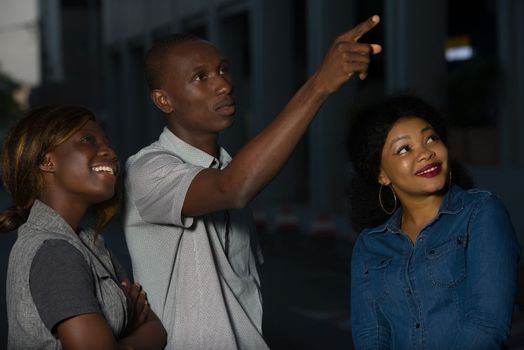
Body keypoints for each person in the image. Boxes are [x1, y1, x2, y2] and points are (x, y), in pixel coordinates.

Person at [123, 15, 382, 350]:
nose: (224, 85)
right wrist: (319, 85)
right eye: (201, 77)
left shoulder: (228, 166)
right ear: (163, 100)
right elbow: (233, 188)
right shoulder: (147, 169)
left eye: (224, 69)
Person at [347, 94, 520, 349]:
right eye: (405, 149)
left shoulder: (481, 213)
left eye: (431, 138)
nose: (426, 153)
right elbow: (371, 335)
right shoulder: (369, 245)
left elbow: (487, 325)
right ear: (382, 174)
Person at [0, 106, 167, 349]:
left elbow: (156, 330)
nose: (110, 151)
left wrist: (120, 339)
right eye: (88, 140)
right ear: (47, 161)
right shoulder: (54, 252)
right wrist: (128, 326)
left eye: (108, 142)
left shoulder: (90, 243)